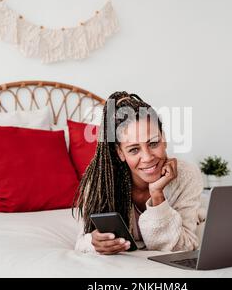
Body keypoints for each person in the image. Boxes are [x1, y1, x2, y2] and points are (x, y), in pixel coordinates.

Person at [74, 91, 204, 255]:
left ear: (163, 138)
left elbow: (185, 246)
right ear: (120, 153)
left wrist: (157, 196)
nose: (148, 157)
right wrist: (94, 242)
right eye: (134, 149)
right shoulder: (100, 183)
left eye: (154, 143)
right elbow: (81, 242)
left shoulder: (187, 174)